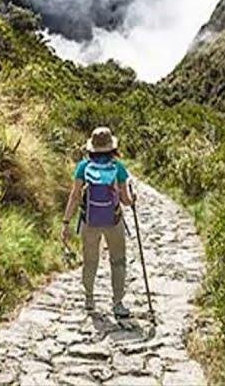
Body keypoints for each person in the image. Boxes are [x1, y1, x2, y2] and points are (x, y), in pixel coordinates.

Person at [61, 126, 134, 316]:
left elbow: (75, 196)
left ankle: (89, 298)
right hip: (114, 221)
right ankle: (117, 303)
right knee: (118, 261)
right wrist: (133, 199)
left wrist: (66, 221)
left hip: (89, 221)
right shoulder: (118, 168)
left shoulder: (83, 167)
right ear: (111, 147)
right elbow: (126, 200)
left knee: (90, 260)